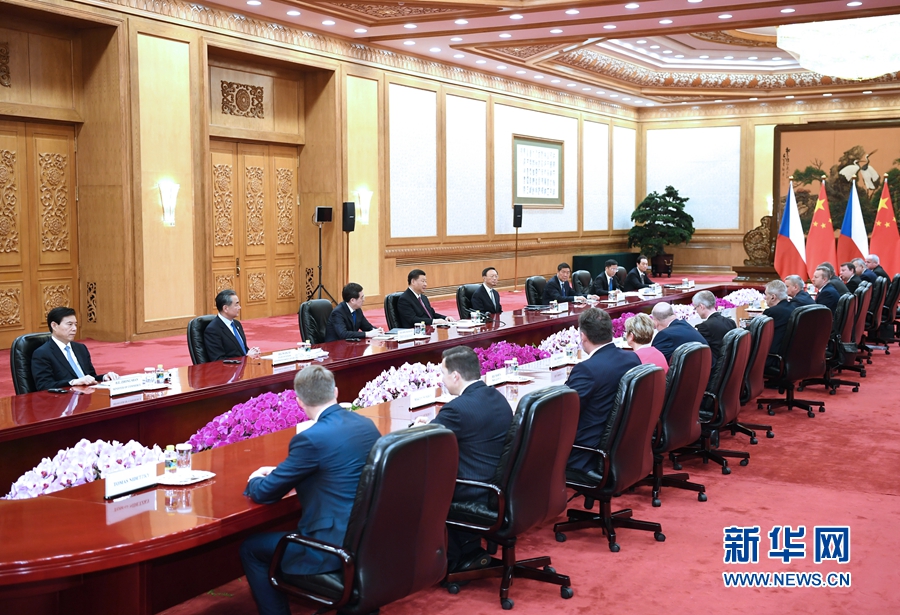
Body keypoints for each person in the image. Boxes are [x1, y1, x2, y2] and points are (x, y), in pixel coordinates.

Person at [240, 365, 380, 615]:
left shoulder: (311, 439)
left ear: (300, 402)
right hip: (370, 538)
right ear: (336, 392)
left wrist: (254, 480)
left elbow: (265, 493)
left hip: (332, 546)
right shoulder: (365, 424)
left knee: (250, 548)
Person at [426, 346, 512, 572]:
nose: (442, 380)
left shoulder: (456, 409)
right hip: (503, 485)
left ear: (455, 376)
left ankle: (450, 560)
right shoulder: (497, 396)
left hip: (475, 490)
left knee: (422, 485)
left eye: (443, 373)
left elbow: (427, 441)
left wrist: (417, 427)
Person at [566, 308, 641, 473]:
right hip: (624, 447)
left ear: (583, 336)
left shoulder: (587, 370)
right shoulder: (632, 358)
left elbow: (565, 412)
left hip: (588, 454)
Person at [31, 307, 120, 390]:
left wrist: (104, 377)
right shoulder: (42, 353)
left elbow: (90, 377)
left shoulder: (81, 348)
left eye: (75, 324)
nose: (74, 329)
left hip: (86, 394)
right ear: (54, 325)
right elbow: (44, 386)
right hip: (65, 398)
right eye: (69, 324)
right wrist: (73, 382)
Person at [204, 289, 251, 362]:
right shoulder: (213, 330)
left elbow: (242, 350)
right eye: (236, 304)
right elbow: (218, 360)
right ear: (225, 308)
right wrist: (246, 357)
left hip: (245, 365)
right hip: (231, 368)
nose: (239, 307)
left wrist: (251, 352)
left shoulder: (237, 324)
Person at [762, 279, 798, 372]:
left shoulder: (772, 312)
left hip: (773, 358)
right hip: (792, 358)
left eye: (766, 295)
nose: (765, 298)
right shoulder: (794, 308)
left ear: (773, 297)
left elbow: (757, 333)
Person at [693, 290, 736, 365]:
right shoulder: (730, 322)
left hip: (715, 367)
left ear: (701, 307)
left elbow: (702, 352)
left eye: (695, 308)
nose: (696, 311)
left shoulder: (705, 327)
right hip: (730, 364)